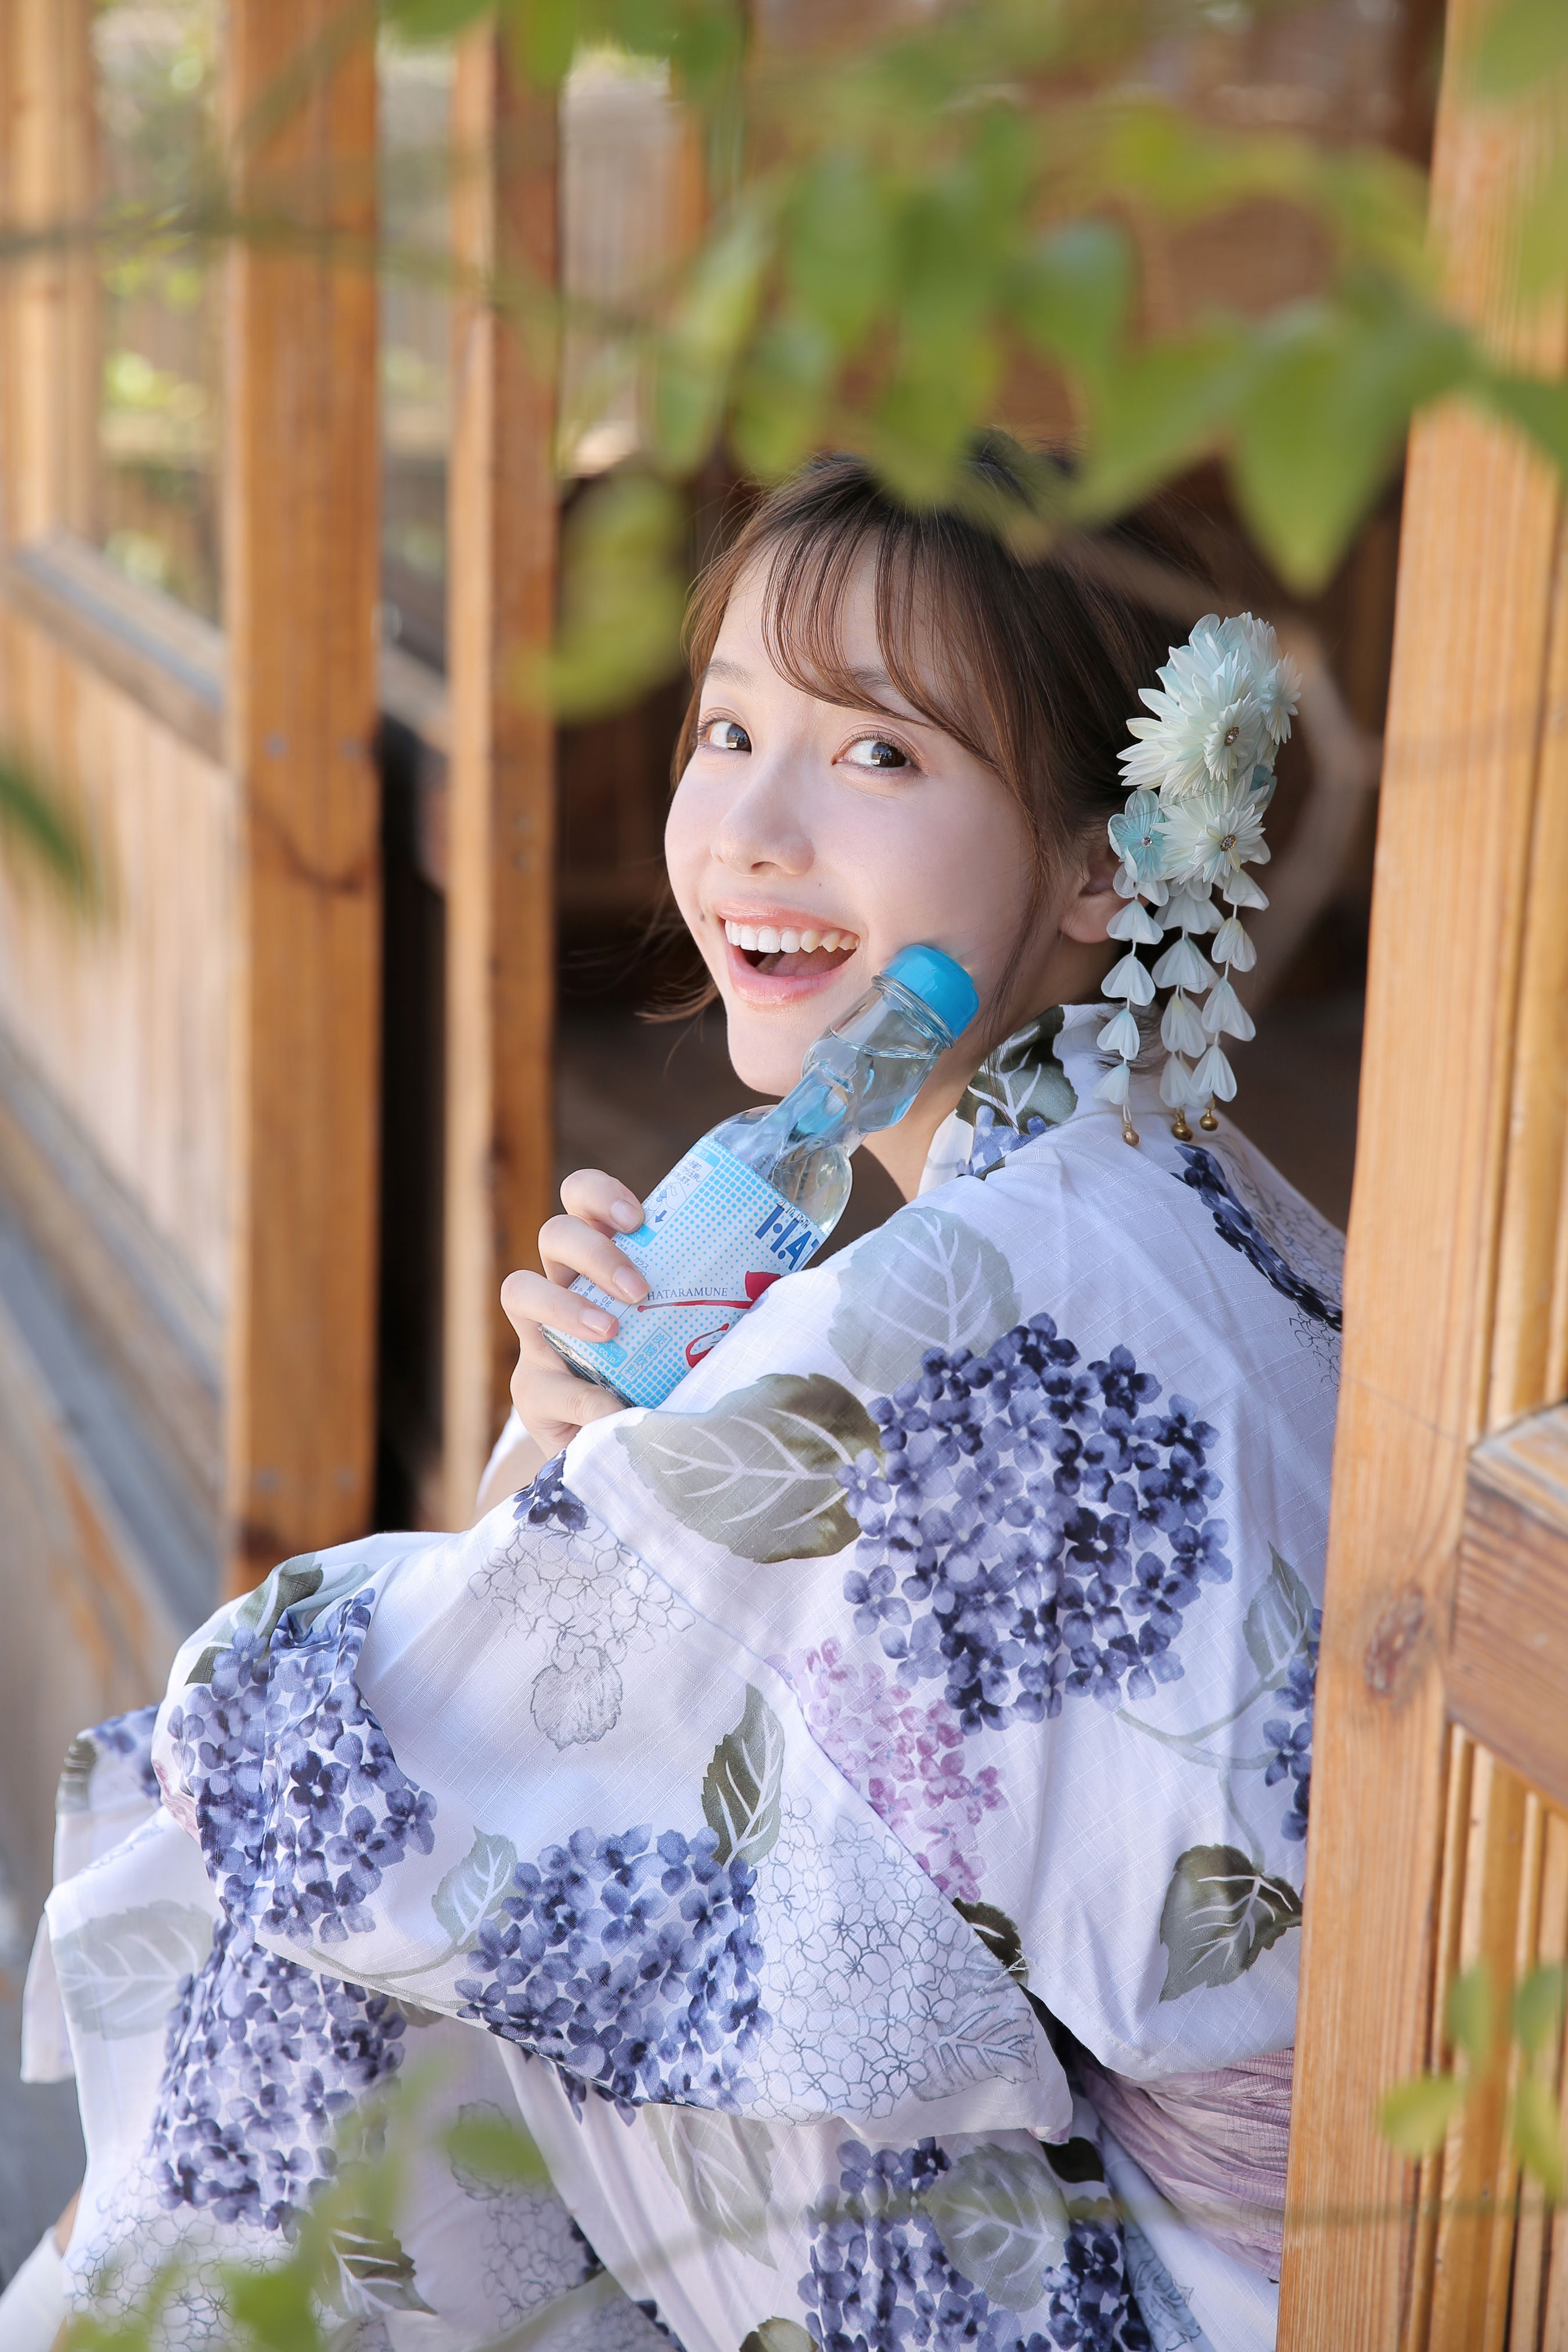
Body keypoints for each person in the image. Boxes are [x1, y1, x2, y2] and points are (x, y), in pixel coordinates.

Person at [4, 441, 1340, 2352]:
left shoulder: (987, 1285)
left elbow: (383, 1723)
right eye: (725, 731)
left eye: (877, 754)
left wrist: (598, 1498)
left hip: (1214, 2286)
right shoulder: (1147, 1189)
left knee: (359, 1951)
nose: (752, 829)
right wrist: (602, 1450)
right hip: (1280, 2203)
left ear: (1098, 862)